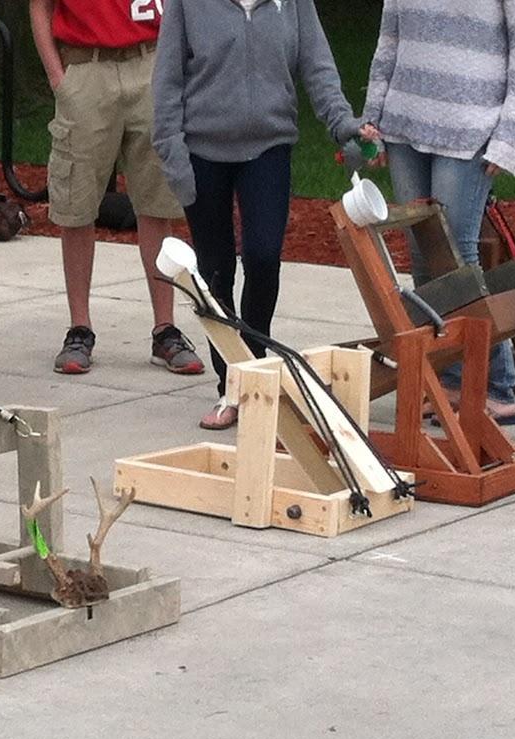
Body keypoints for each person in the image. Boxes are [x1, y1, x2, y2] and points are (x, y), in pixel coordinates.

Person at [152, 0, 371, 430]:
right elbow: (166, 82)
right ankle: (231, 388)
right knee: (214, 274)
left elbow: (318, 67)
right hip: (202, 152)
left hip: (269, 148)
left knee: (263, 256)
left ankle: (252, 375)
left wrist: (343, 123)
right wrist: (174, 158)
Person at [364, 0, 515, 425]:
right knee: (423, 257)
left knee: (457, 258)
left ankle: (497, 384)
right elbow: (389, 37)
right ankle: (449, 376)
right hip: (404, 124)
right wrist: (373, 118)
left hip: (472, 129)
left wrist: (509, 136)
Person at [28, 0, 204, 379]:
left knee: (157, 203)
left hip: (149, 59)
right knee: (77, 203)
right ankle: (80, 328)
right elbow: (40, 7)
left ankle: (165, 329)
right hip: (87, 67)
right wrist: (59, 79)